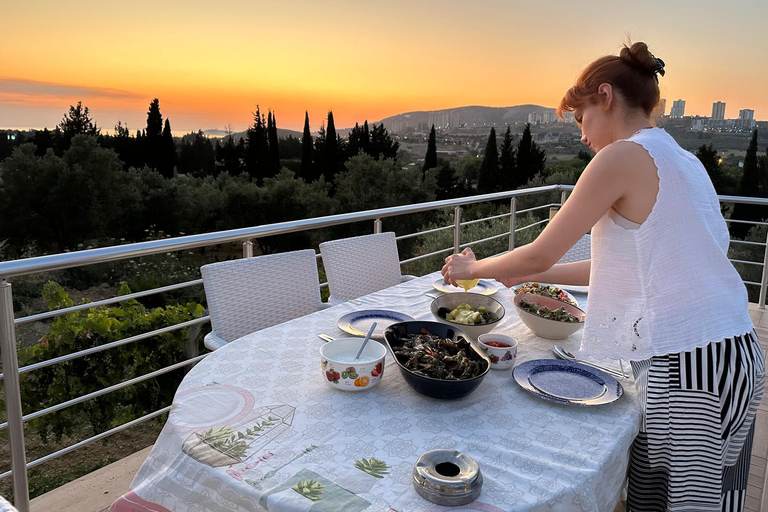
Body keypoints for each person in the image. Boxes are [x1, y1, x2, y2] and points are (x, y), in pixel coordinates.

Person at [441, 42, 765, 512]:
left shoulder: (621, 159)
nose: (581, 134)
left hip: (688, 367)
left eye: (580, 116)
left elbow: (538, 252)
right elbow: (621, 267)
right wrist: (515, 279)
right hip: (735, 357)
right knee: (714, 500)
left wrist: (473, 269)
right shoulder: (683, 161)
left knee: (666, 505)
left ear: (605, 96)